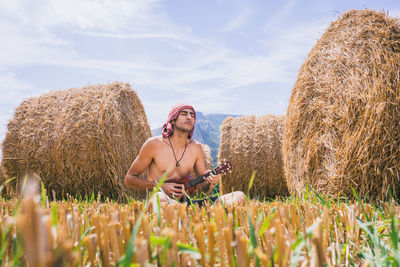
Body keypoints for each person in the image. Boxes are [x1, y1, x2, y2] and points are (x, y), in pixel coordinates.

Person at [124, 103, 245, 206]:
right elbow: (129, 179)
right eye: (184, 114)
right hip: (161, 200)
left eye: (192, 115)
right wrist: (159, 186)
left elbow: (204, 189)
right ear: (173, 119)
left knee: (240, 196)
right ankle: (194, 215)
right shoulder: (153, 144)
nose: (189, 117)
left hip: (187, 202)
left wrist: (211, 182)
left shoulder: (196, 148)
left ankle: (196, 215)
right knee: (160, 198)